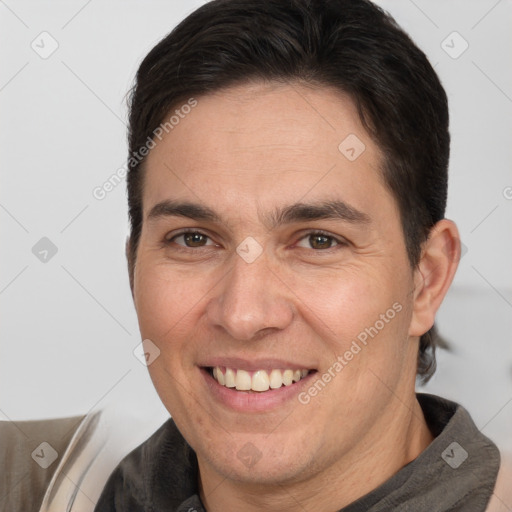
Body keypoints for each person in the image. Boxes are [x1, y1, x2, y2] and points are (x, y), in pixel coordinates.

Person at [94, 0, 510, 510]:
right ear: (133, 266)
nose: (244, 315)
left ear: (426, 278)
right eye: (194, 239)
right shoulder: (40, 486)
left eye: (318, 240)